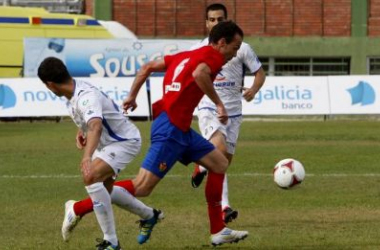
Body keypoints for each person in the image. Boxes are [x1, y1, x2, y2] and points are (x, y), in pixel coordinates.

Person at [60, 20, 248, 246]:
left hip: (180, 127)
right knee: (142, 187)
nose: (234, 54)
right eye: (235, 48)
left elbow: (147, 67)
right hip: (171, 129)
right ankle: (77, 207)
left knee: (219, 163)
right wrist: (219, 104)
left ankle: (219, 230)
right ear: (221, 43)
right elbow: (200, 74)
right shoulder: (213, 57)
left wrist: (132, 96)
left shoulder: (185, 55)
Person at [37, 57, 163, 250]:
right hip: (110, 144)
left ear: (50, 85)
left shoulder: (85, 95)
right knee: (105, 191)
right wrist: (82, 132)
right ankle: (149, 215)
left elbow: (95, 126)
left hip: (123, 142)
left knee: (91, 176)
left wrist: (87, 156)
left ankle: (111, 242)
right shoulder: (73, 96)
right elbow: (91, 123)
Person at [190, 3, 266, 224]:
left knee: (222, 163)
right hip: (209, 107)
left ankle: (201, 164)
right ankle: (225, 207)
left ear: (227, 20)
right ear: (206, 23)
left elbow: (260, 73)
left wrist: (254, 88)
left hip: (234, 111)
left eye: (220, 19)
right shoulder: (199, 48)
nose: (216, 23)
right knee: (220, 154)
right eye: (212, 20)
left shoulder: (241, 47)